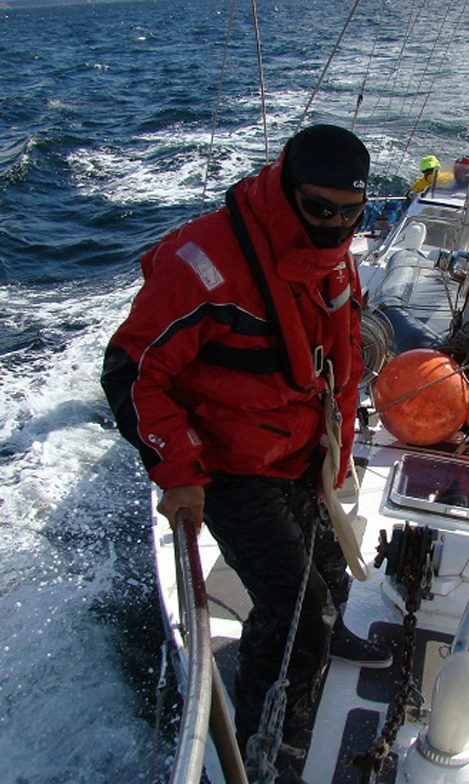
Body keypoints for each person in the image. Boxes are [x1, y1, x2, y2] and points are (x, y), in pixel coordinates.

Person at [100, 124, 392, 774]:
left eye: (350, 213)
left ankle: (325, 634)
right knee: (297, 610)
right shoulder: (203, 264)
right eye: (319, 209)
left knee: (330, 568)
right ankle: (272, 737)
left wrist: (333, 458)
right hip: (226, 466)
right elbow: (130, 368)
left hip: (296, 449)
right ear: (288, 192)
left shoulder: (337, 255)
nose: (334, 224)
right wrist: (177, 473)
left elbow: (342, 354)